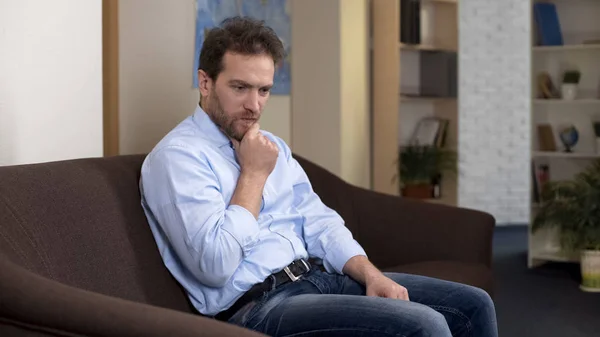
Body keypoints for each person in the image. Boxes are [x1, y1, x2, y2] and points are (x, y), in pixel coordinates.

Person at [139, 16, 498, 337]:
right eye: (240, 88)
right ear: (205, 83)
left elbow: (319, 221)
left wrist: (370, 275)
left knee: (473, 304)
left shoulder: (269, 145)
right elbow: (215, 265)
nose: (255, 105)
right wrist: (252, 175)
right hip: (259, 308)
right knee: (424, 324)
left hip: (321, 279)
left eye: (263, 90)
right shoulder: (178, 158)